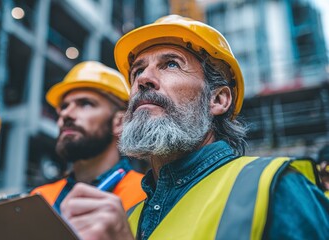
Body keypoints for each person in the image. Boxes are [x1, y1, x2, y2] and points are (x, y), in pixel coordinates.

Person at [59, 15, 329, 239]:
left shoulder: (276, 188)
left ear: (218, 99)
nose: (143, 79)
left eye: (171, 64)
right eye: (137, 71)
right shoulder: (128, 219)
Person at [31, 61, 146, 213]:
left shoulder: (145, 196)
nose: (66, 114)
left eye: (85, 104)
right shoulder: (41, 198)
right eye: (64, 106)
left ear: (120, 122)